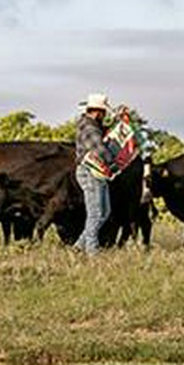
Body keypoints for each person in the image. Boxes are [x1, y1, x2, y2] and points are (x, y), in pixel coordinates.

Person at [74, 93, 113, 256]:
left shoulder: (89, 125)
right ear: (98, 112)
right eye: (103, 113)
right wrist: (114, 162)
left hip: (94, 172)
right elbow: (100, 150)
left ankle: (78, 247)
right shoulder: (90, 128)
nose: (104, 116)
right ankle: (92, 253)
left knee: (103, 212)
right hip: (91, 172)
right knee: (97, 214)